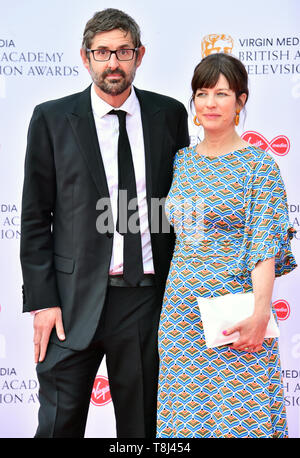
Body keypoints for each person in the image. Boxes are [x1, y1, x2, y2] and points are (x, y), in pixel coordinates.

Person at [20, 8, 189, 438]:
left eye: (123, 51)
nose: (113, 62)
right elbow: (36, 216)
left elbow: (183, 207)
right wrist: (43, 301)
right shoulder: (53, 118)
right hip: (70, 304)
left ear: (139, 55)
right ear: (85, 57)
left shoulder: (168, 115)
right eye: (102, 52)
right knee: (57, 426)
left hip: (146, 302)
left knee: (143, 432)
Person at [157, 52, 297, 438]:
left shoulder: (259, 165)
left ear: (241, 101)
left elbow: (265, 246)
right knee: (183, 423)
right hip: (181, 318)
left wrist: (260, 314)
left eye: (221, 94)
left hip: (235, 314)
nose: (210, 104)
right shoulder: (181, 162)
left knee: (241, 419)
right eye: (202, 93)